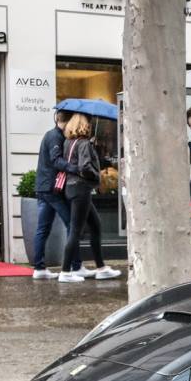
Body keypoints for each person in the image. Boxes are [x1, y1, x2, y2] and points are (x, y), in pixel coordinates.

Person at [60, 114, 121, 283]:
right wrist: (97, 175)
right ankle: (65, 272)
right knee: (76, 231)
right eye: (87, 124)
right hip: (81, 189)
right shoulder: (84, 144)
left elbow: (74, 159)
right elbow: (85, 166)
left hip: (70, 188)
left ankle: (101, 268)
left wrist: (90, 148)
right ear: (84, 126)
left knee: (95, 226)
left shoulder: (68, 143)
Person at [33, 110, 84, 279]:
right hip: (52, 188)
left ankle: (39, 269)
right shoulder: (55, 136)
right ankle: (73, 267)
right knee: (72, 225)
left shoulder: (51, 134)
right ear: (68, 121)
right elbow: (56, 160)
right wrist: (77, 168)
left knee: (43, 229)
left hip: (43, 187)